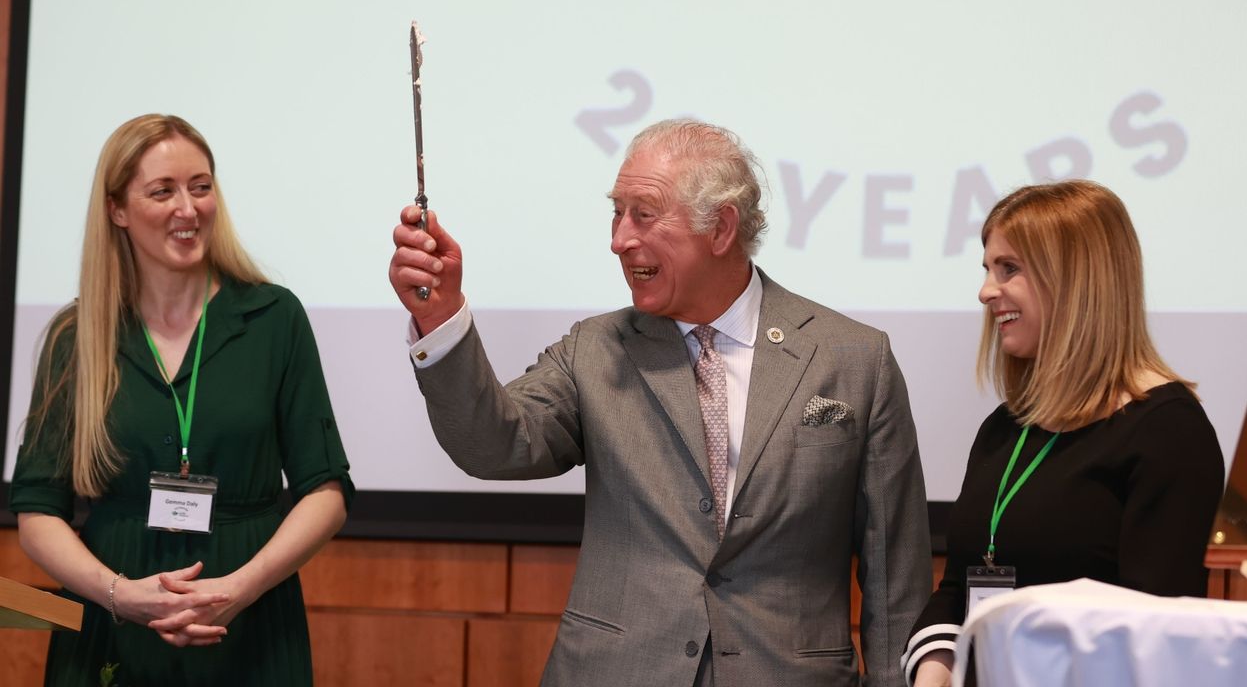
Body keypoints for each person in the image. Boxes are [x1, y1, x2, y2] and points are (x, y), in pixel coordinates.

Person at [388, 119, 932, 687]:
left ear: (721, 228)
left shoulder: (853, 360)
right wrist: (440, 317)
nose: (619, 239)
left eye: (643, 214)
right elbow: (496, 446)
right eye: (616, 213)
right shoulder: (594, 350)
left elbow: (896, 581)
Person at [9, 114, 353, 686]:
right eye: (162, 191)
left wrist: (235, 590)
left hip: (249, 622)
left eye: (200, 186)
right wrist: (121, 597)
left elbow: (327, 494)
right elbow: (37, 512)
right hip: (110, 622)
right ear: (117, 209)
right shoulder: (79, 336)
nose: (188, 210)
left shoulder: (274, 319)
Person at [902, 180, 1225, 687]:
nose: (986, 290)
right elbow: (960, 587)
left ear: (1075, 279)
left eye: (1009, 268)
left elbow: (1155, 632)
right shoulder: (1004, 428)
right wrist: (931, 676)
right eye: (987, 269)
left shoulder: (1168, 430)